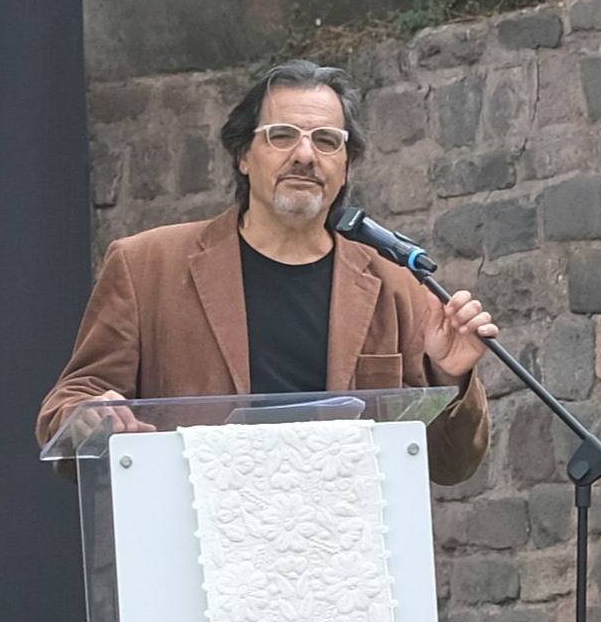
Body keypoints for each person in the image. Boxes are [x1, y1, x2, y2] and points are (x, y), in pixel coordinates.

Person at [33, 57, 500, 477]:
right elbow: (69, 406)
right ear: (243, 156)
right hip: (194, 531)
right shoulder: (145, 267)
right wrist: (90, 417)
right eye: (281, 135)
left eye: (326, 141)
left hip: (345, 536)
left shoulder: (395, 282)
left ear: (346, 166)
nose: (305, 155)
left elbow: (450, 465)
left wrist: (451, 379)